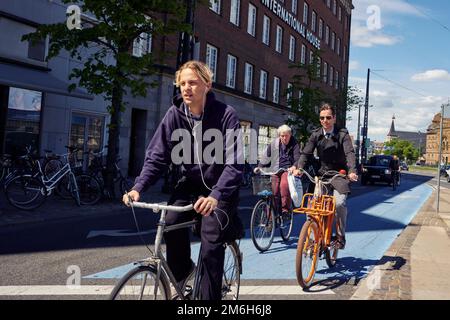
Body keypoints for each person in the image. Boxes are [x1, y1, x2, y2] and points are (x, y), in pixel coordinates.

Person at [123, 60, 244, 300]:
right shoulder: (174, 115)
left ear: (207, 85)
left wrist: (216, 197)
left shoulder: (225, 115)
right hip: (190, 184)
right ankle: (184, 271)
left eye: (193, 83)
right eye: (182, 84)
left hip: (220, 189)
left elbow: (235, 164)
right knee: (171, 220)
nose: (186, 88)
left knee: (210, 240)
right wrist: (138, 188)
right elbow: (156, 156)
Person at [292, 103, 358, 249]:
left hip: (338, 175)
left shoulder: (342, 135)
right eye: (322, 118)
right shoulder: (316, 134)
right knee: (312, 206)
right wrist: (299, 168)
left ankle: (340, 236)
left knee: (339, 203)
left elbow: (349, 153)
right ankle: (312, 236)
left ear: (334, 118)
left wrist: (352, 171)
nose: (325, 121)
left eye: (328, 117)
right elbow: (306, 153)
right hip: (321, 176)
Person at [259, 124, 301, 215]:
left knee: (284, 186)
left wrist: (294, 166)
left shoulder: (294, 143)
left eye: (286, 135)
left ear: (290, 135)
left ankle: (285, 209)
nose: (284, 138)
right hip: (275, 168)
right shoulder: (274, 143)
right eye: (282, 136)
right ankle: (271, 216)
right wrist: (260, 167)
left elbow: (297, 158)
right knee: (274, 191)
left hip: (287, 169)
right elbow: (266, 156)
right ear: (279, 136)